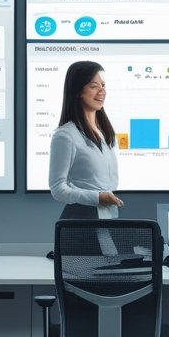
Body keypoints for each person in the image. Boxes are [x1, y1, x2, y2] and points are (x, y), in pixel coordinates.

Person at [49, 60, 123, 220]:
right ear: (78, 92)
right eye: (94, 86)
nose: (102, 91)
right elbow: (57, 188)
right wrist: (97, 197)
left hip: (107, 215)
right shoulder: (65, 135)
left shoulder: (104, 132)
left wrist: (103, 198)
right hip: (80, 219)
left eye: (103, 85)